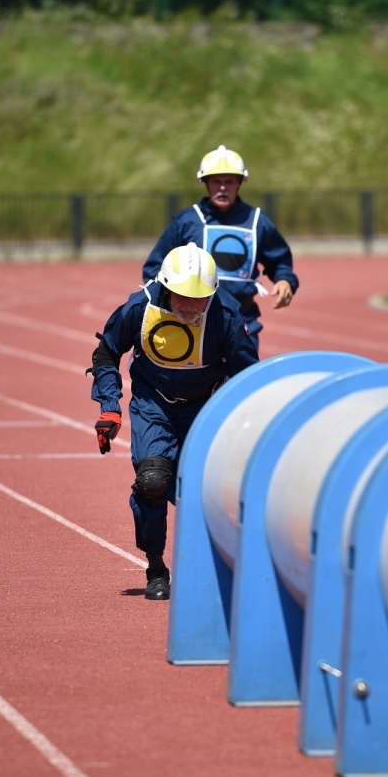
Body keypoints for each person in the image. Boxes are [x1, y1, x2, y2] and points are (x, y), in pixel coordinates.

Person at [88, 242, 259, 601]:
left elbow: (247, 374)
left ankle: (219, 565)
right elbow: (107, 351)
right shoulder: (140, 307)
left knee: (203, 493)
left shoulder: (226, 314)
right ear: (166, 286)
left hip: (205, 406)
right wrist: (109, 406)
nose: (191, 306)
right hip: (153, 404)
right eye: (182, 297)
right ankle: (156, 568)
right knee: (152, 480)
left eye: (199, 299)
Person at [142, 145, 299, 349]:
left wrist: (284, 279)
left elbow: (280, 261)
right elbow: (155, 267)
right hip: (192, 320)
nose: (223, 187)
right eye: (216, 181)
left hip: (243, 318)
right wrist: (172, 304)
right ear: (205, 183)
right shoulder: (187, 221)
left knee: (244, 379)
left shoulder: (257, 220)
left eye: (229, 181)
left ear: (240, 183)